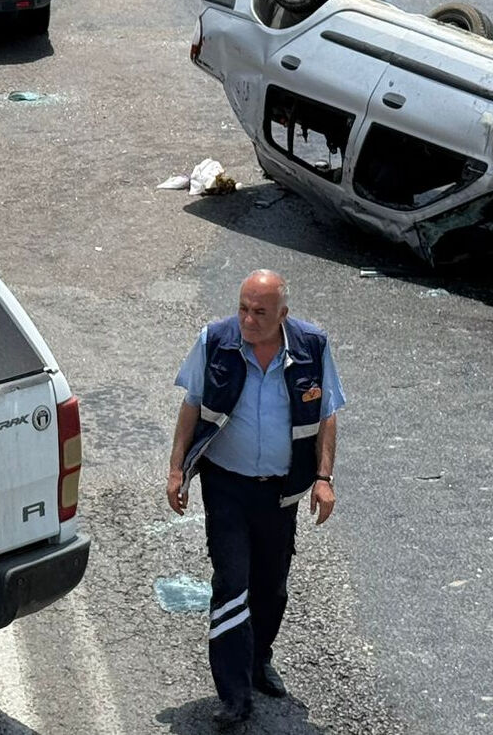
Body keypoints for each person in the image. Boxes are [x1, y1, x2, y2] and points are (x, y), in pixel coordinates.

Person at [166, 270, 343, 728]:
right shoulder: (215, 341)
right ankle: (234, 693)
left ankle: (258, 658)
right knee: (231, 583)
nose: (247, 319)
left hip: (281, 491)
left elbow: (326, 415)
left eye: (259, 312)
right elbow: (192, 403)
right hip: (226, 486)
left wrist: (324, 477)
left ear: (283, 315)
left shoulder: (312, 346)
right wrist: (176, 470)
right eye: (243, 307)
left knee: (271, 586)